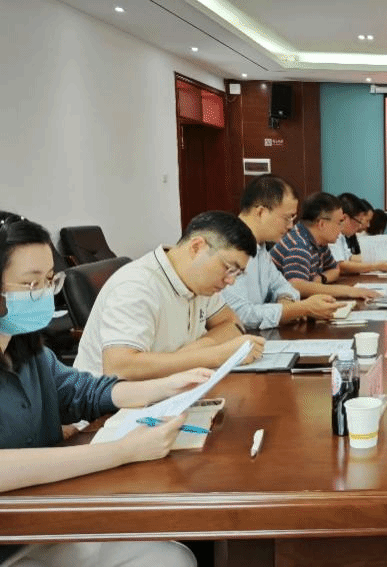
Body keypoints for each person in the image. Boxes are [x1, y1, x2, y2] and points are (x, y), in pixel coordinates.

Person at [0, 215, 203, 567]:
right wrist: (124, 451)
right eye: (31, 283)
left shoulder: (29, 351)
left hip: (43, 524)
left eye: (50, 280)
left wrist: (165, 386)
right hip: (11, 538)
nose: (44, 294)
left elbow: (82, 391)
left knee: (172, 557)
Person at [74, 211, 265, 381]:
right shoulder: (137, 285)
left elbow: (232, 324)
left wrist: (188, 354)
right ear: (196, 247)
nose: (231, 281)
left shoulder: (201, 283)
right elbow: (119, 368)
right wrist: (216, 355)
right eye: (229, 268)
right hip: (106, 405)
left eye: (237, 273)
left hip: (165, 390)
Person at [223, 175, 346, 329]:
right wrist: (299, 309)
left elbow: (284, 286)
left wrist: (287, 304)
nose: (290, 226)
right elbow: (240, 315)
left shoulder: (260, 247)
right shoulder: (229, 248)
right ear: (261, 212)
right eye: (287, 218)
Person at [269, 193, 380, 300]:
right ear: (322, 224)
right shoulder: (298, 245)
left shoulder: (319, 242)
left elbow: (335, 269)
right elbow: (297, 286)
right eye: (339, 222)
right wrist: (348, 291)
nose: (341, 228)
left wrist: (320, 279)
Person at [329, 193, 387, 274]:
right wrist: (375, 266)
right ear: (345, 218)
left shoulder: (341, 235)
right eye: (359, 221)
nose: (360, 226)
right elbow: (340, 266)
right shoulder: (333, 234)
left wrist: (379, 260)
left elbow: (349, 257)